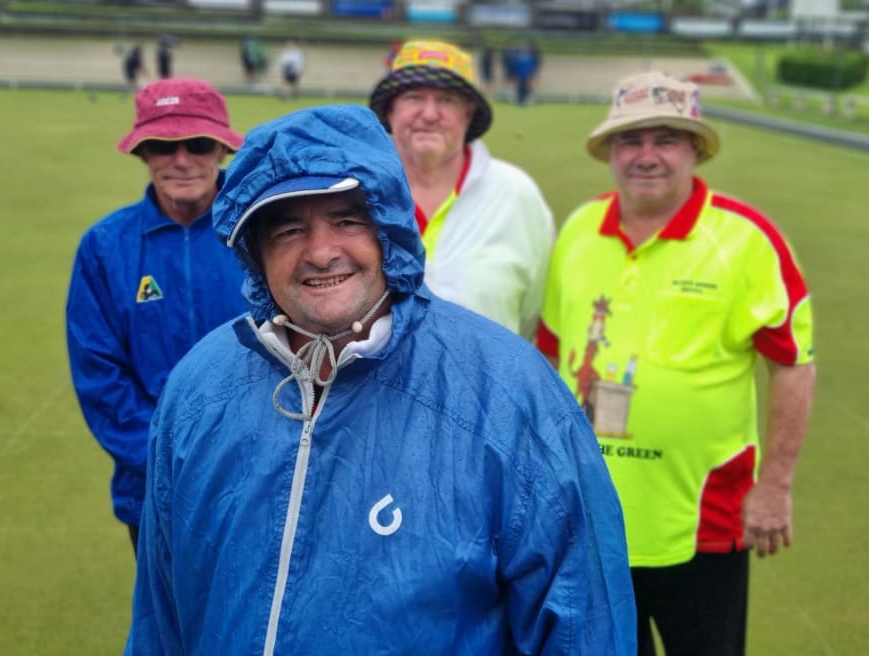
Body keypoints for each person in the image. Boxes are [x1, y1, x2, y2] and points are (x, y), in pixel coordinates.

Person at [126, 104, 637, 654]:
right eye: (289, 228)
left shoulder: (511, 393)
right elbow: (161, 613)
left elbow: (584, 626)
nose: (321, 252)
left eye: (347, 220)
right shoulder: (199, 385)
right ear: (254, 249)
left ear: (389, 224)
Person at [537, 71, 816, 656]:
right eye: (630, 140)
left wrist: (775, 486)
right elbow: (549, 356)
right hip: (589, 515)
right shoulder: (579, 230)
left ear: (695, 150)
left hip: (704, 521)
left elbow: (793, 362)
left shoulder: (745, 239)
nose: (646, 156)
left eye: (665, 139)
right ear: (610, 152)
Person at [66, 78, 247, 556]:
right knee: (167, 607)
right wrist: (168, 463)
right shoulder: (105, 247)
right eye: (164, 144)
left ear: (222, 148)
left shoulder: (263, 230)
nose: (182, 159)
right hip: (153, 493)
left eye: (198, 144)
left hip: (257, 485)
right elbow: (100, 377)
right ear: (143, 151)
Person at [369, 39, 554, 339]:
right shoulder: (354, 193)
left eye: (447, 100)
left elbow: (533, 317)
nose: (430, 114)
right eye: (414, 97)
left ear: (468, 113)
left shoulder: (517, 195)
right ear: (390, 110)